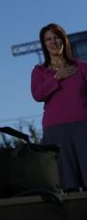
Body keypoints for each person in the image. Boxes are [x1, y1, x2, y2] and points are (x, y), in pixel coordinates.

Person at [31, 23, 87, 191]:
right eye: (48, 39)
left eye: (56, 37)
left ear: (64, 41)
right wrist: (56, 77)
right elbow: (37, 95)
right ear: (44, 44)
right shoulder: (39, 71)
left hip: (83, 127)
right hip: (55, 129)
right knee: (67, 183)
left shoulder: (82, 67)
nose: (53, 42)